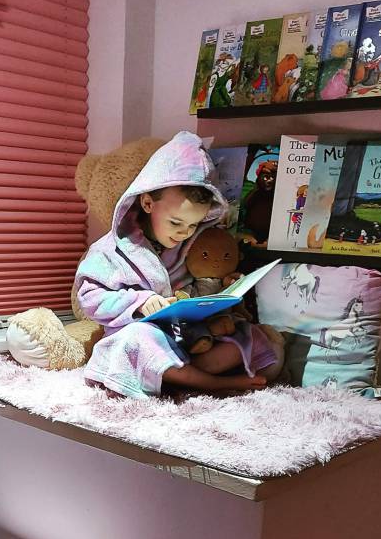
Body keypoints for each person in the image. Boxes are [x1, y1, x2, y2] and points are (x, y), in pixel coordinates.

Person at [74, 131, 284, 399]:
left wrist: (221, 291)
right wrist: (139, 302)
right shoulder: (109, 250)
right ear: (148, 203)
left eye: (193, 225)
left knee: (246, 335)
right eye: (176, 223)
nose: (184, 233)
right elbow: (90, 300)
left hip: (188, 338)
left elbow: (195, 289)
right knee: (140, 339)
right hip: (142, 339)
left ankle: (181, 376)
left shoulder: (190, 246)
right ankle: (211, 384)